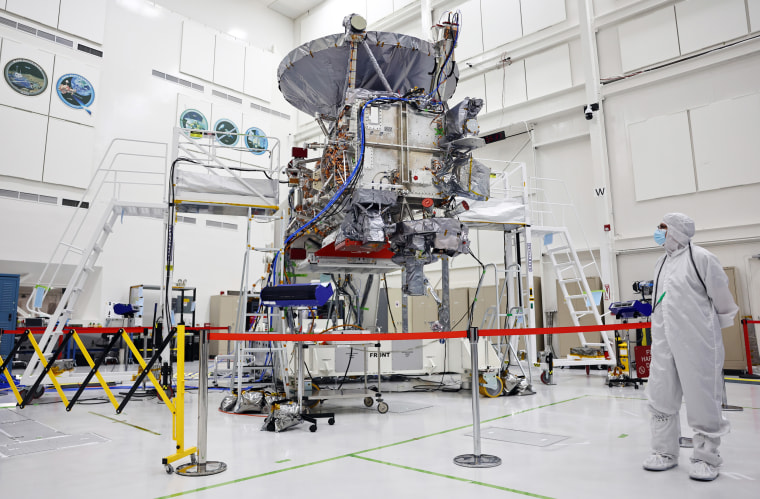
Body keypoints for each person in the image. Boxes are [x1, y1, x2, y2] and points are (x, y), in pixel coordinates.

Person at [643, 213, 738, 481]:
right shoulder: (660, 263)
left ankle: (706, 458)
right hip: (664, 342)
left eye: (662, 228)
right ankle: (664, 452)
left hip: (697, 342)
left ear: (676, 231)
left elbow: (722, 299)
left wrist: (710, 332)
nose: (658, 232)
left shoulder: (702, 258)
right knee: (660, 395)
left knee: (702, 398)